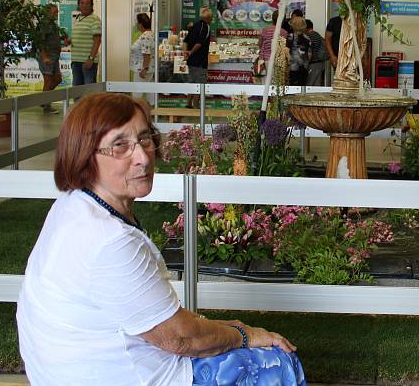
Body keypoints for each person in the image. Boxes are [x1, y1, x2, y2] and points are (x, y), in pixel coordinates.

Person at [16, 93, 305, 386]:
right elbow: (179, 339)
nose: (142, 157)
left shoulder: (74, 204)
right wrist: (246, 335)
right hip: (114, 375)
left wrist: (228, 328)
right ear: (85, 155)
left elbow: (167, 324)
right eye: (120, 146)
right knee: (276, 361)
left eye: (144, 139)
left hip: (71, 371)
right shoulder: (110, 241)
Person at [35, 3, 67, 113]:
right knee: (48, 81)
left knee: (58, 79)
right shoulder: (44, 24)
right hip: (47, 56)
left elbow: (54, 38)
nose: (57, 14)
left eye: (57, 12)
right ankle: (46, 105)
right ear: (47, 13)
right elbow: (40, 41)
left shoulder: (53, 25)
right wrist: (44, 57)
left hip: (55, 56)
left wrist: (64, 39)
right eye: (55, 12)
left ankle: (43, 100)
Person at [71, 0, 102, 86]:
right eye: (82, 3)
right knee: (76, 91)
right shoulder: (78, 18)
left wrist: (91, 59)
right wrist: (70, 39)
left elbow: (97, 41)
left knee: (89, 90)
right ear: (78, 5)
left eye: (87, 3)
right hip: (76, 60)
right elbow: (80, 35)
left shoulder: (95, 19)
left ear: (91, 5)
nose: (84, 5)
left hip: (87, 61)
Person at [184, 8, 212, 108]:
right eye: (211, 18)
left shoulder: (194, 25)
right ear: (208, 18)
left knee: (191, 82)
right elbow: (199, 43)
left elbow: (185, 40)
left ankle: (188, 104)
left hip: (191, 61)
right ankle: (196, 105)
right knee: (200, 84)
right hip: (200, 61)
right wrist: (190, 52)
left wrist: (185, 53)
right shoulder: (206, 27)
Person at [130, 13, 155, 101]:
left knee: (136, 95)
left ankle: (136, 113)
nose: (136, 25)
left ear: (140, 24)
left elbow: (146, 53)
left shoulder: (145, 36)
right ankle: (153, 113)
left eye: (137, 22)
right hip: (148, 68)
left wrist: (144, 69)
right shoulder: (150, 34)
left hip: (141, 69)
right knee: (150, 94)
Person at [304, 19, 328, 86]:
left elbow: (310, 51)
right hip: (319, 63)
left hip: (313, 64)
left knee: (310, 84)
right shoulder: (316, 34)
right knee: (316, 84)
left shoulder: (310, 36)